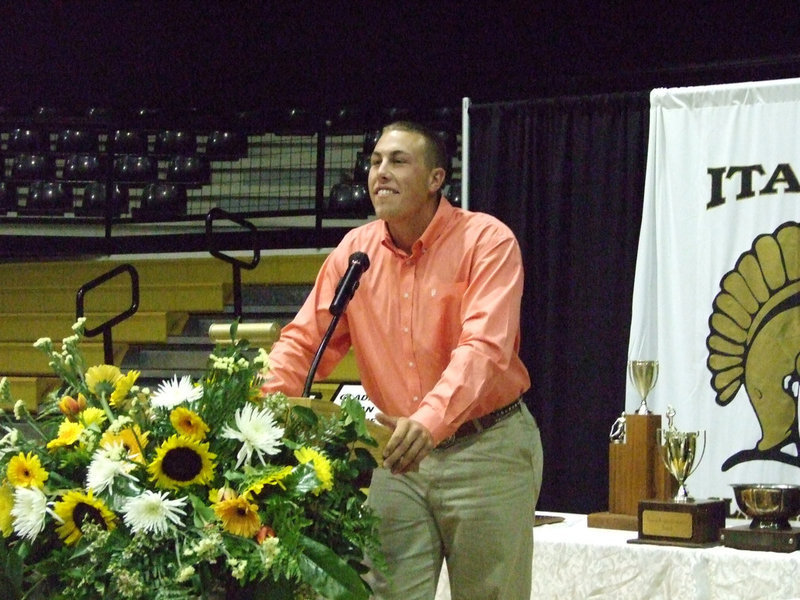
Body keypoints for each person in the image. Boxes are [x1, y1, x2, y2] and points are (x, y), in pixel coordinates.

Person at [261, 120, 543, 600]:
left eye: (397, 161)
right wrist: (260, 411)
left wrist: (429, 421)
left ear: (436, 179)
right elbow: (305, 342)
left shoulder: (487, 241)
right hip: (397, 456)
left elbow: (484, 349)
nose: (380, 173)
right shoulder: (355, 253)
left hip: (486, 446)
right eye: (375, 162)